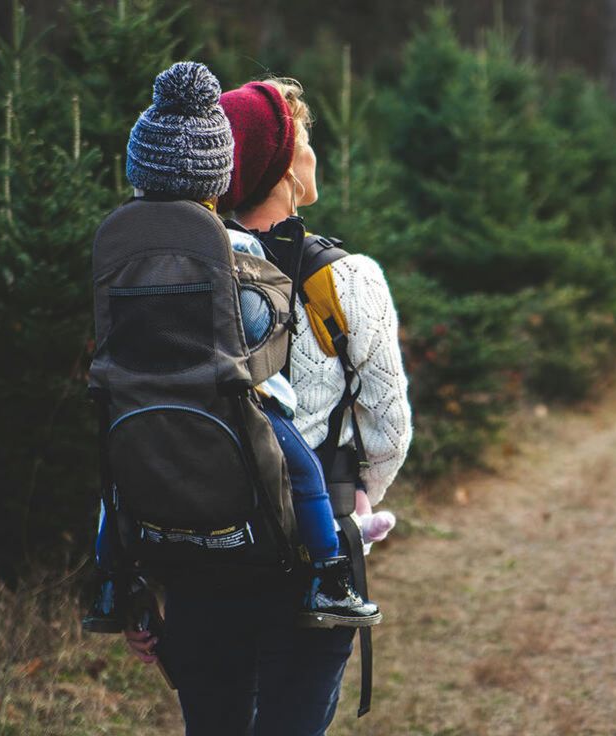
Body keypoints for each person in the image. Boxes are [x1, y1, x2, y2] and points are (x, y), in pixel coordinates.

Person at [122, 72, 412, 735]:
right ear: (282, 165)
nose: (313, 152)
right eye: (304, 138)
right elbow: (389, 428)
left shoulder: (174, 274)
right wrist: (359, 499)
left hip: (197, 551)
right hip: (308, 565)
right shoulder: (345, 278)